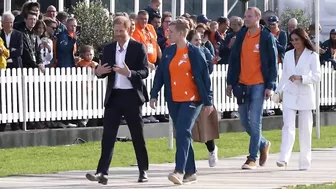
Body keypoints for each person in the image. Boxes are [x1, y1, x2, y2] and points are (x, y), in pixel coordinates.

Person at [85, 16, 149, 185]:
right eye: (116, 31)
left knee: (137, 135)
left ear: (128, 30)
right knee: (108, 136)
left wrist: (129, 73)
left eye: (121, 31)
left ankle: (143, 170)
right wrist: (98, 72)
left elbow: (144, 72)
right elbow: (103, 71)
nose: (118, 35)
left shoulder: (137, 47)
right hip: (114, 96)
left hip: (132, 97)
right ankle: (102, 172)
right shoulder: (109, 48)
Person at [150, 19, 213, 185]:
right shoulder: (169, 52)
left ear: (181, 33)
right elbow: (161, 74)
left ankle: (179, 170)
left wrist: (209, 101)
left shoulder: (195, 52)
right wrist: (154, 93)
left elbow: (205, 78)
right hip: (174, 99)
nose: (168, 34)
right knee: (184, 133)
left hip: (192, 99)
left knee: (183, 131)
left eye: (171, 31)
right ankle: (191, 172)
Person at [226, 7, 278, 170]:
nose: (245, 19)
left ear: (257, 17)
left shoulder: (267, 37)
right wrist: (230, 82)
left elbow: (273, 64)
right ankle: (263, 143)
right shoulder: (241, 35)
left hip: (259, 84)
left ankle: (252, 157)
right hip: (242, 84)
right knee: (243, 120)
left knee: (255, 121)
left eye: (249, 16)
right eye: (245, 16)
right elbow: (234, 60)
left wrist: (270, 85)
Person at [275, 28, 321, 170]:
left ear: (303, 39)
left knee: (305, 130)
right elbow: (284, 75)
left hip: (306, 96)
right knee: (288, 126)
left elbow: (317, 76)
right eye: (292, 40)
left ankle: (304, 162)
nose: (294, 42)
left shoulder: (312, 55)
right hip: (289, 94)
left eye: (297, 39)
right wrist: (278, 91)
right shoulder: (288, 55)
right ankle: (284, 158)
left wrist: (301, 78)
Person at [186, 30, 219, 167]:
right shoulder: (184, 53)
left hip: (201, 94)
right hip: (187, 95)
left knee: (205, 127)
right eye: (195, 40)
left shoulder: (204, 51)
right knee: (188, 128)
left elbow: (209, 70)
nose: (198, 43)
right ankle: (188, 161)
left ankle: (212, 149)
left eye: (199, 40)